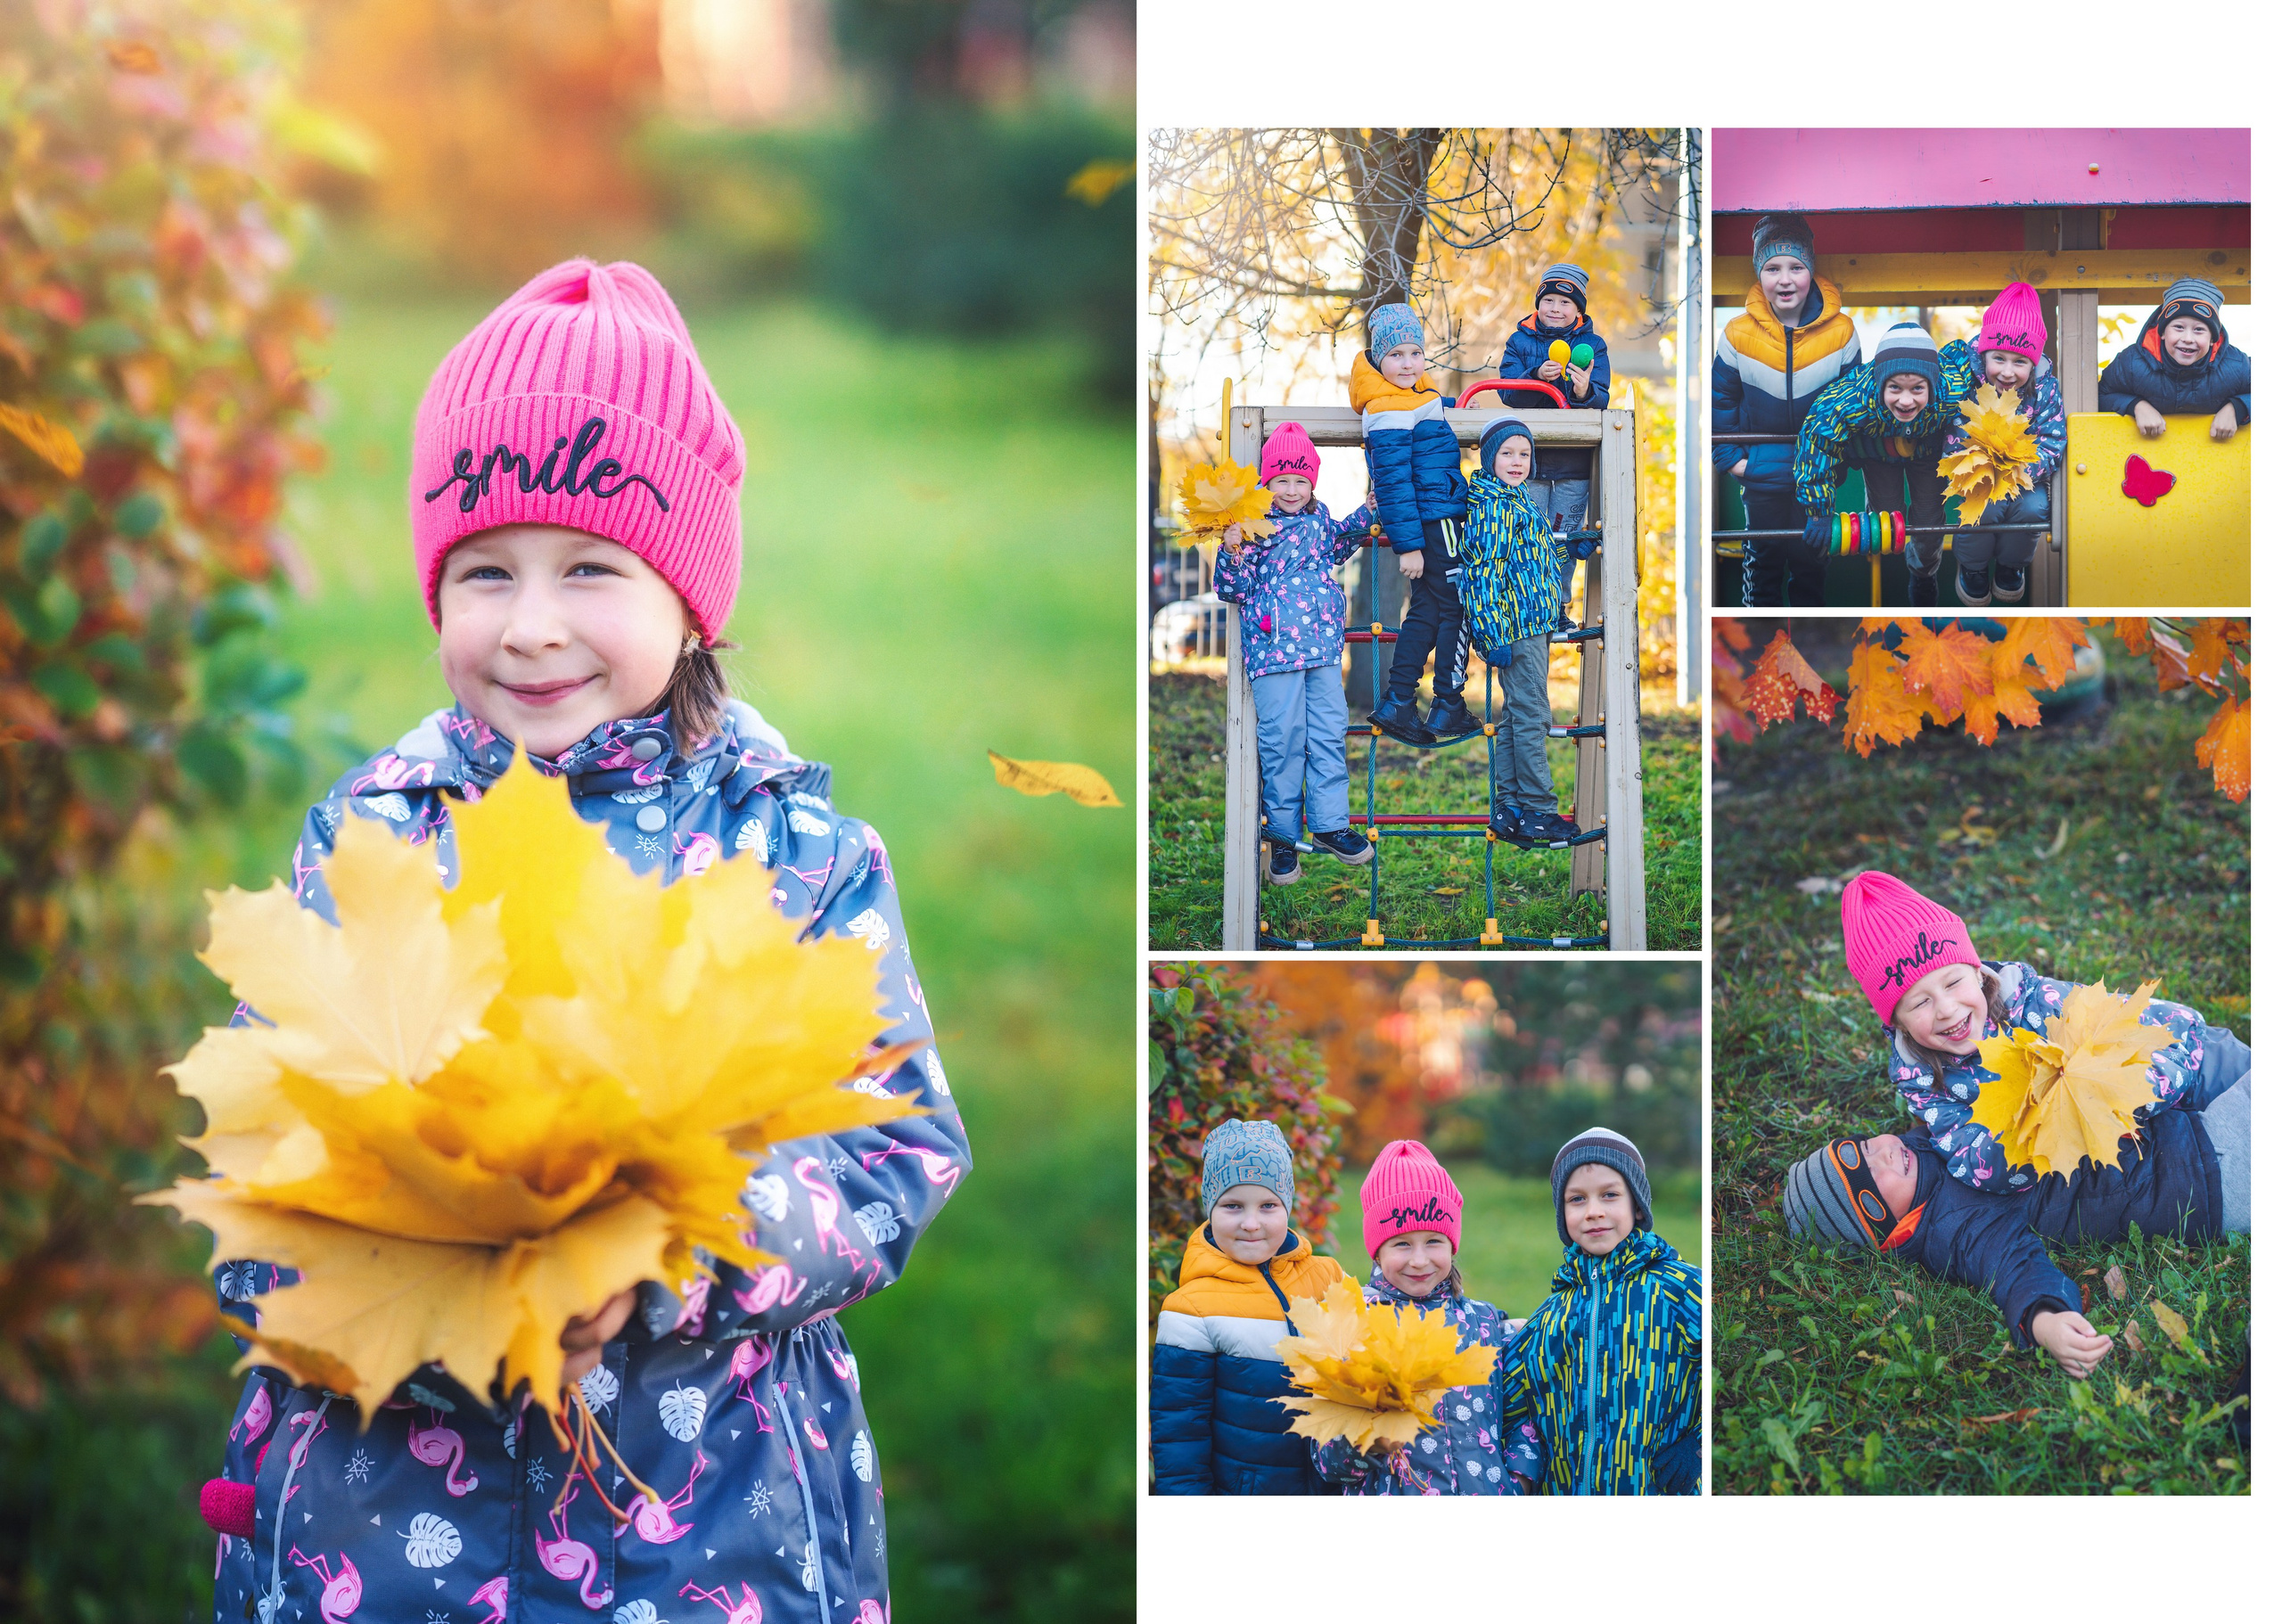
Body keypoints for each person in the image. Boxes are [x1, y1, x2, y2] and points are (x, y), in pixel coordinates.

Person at [200, 260, 969, 1624]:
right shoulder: (380, 839)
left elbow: (893, 1144)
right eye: (485, 571)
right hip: (385, 1526)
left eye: (591, 569)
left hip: (698, 1524)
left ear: (692, 602)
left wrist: (679, 1247)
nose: (533, 623)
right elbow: (268, 1157)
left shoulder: (793, 855)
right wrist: (413, 1290)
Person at [1782, 1089, 2250, 1380]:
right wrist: (2043, 1321)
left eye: (1863, 1147)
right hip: (2200, 1173)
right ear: (1885, 1229)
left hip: (2173, 1122)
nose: (1883, 1152)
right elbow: (2010, 1265)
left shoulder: (1926, 1144)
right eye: (1869, 1178)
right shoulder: (1956, 1223)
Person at [1840, 870, 2248, 1196]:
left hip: (2197, 1059)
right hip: (2166, 1137)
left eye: (1952, 983)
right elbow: (1974, 1164)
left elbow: (2142, 1039)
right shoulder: (1924, 1081)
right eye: (1919, 1003)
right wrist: (2044, 1131)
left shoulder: (2035, 1002)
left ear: (1978, 972)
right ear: (1896, 1022)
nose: (1947, 1010)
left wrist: (2120, 1102)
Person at [1309, 1141, 1539, 1496]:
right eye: (1401, 1244)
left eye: (1433, 1241)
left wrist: (1519, 1480)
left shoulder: (1487, 1325)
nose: (1419, 1260)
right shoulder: (1354, 1328)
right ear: (1377, 1250)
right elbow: (1327, 1462)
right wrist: (1365, 1442)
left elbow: (1521, 1415)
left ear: (1452, 1245)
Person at [1213, 421, 1375, 884]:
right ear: (1267, 481)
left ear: (1312, 483)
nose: (1291, 489)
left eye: (1300, 480)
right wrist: (1232, 550)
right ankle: (1283, 838)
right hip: (1274, 651)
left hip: (1322, 649)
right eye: (1281, 479)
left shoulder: (1319, 519)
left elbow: (1338, 544)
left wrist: (1365, 515)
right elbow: (1231, 588)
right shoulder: (1252, 526)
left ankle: (1329, 824)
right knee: (1283, 742)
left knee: (1327, 733)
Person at [1152, 1119, 1351, 1494]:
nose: (1251, 1223)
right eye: (1232, 1206)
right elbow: (1180, 1435)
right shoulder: (1191, 1308)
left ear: (1287, 1206)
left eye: (1268, 1206)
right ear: (1210, 1209)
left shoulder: (1328, 1278)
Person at [1499, 1128, 1702, 1494]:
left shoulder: (1678, 1289)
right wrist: (1485, 1328)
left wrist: (1701, 1446)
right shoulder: (1552, 1314)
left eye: (1610, 1195)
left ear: (1636, 1206)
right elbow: (1498, 1394)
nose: (1594, 1212)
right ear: (1563, 1214)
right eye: (1577, 1199)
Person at [1712, 213, 1860, 606]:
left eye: (1796, 267)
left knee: (1812, 569)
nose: (1785, 279)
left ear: (1811, 271)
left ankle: (1801, 656)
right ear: (1759, 274)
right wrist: (1733, 461)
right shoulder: (1737, 335)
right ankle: (1758, 657)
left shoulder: (1841, 331)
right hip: (1760, 476)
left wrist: (1837, 462)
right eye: (1773, 267)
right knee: (1762, 569)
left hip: (1818, 479)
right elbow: (1721, 402)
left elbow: (1852, 404)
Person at [1452, 414, 1580, 846]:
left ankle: (1510, 807)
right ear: (1489, 459)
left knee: (1516, 717)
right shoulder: (1494, 505)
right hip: (1517, 627)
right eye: (1507, 453)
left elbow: (1533, 557)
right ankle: (1540, 811)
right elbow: (1483, 572)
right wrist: (1494, 634)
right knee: (1532, 716)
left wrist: (1566, 546)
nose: (1517, 460)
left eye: (1524, 453)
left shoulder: (1519, 499)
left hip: (1531, 621)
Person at [1352, 303, 1477, 746]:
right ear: (1378, 358)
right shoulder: (1387, 407)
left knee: (1426, 610)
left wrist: (1456, 404)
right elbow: (1393, 481)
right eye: (1396, 356)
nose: (1408, 364)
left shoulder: (1403, 397)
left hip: (1429, 517)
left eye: (1415, 354)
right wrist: (1408, 546)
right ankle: (1447, 702)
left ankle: (1399, 701)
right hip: (1435, 519)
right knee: (1460, 603)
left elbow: (1421, 415)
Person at [1793, 321, 1975, 608]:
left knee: (1929, 522)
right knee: (1888, 520)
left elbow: (1972, 358)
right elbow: (1816, 441)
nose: (1905, 400)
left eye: (1917, 389)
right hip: (1878, 455)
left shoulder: (1952, 392)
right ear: (1880, 383)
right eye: (1894, 388)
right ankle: (1891, 563)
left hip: (1927, 455)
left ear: (1933, 383)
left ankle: (1924, 574)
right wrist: (1819, 511)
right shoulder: (1854, 398)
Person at [1494, 263, 1611, 625]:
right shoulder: (1520, 341)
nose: (1555, 309)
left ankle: (1557, 605)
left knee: (1563, 537)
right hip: (1527, 463)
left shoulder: (1592, 345)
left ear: (1579, 311)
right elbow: (1508, 392)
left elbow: (1601, 397)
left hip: (1572, 464)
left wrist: (1581, 390)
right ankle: (1525, 603)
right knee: (1529, 532)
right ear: (1538, 303)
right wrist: (1535, 376)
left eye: (1565, 302)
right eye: (1549, 300)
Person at [1940, 283, 2064, 605]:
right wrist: (1972, 464)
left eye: (2020, 362)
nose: (2008, 372)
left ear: (2034, 363)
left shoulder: (2045, 389)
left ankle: (2011, 567)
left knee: (2034, 508)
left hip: (2025, 474)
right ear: (1985, 354)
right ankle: (1974, 568)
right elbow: (1953, 428)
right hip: (1977, 472)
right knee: (1985, 508)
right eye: (1999, 359)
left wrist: (2024, 470)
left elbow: (2053, 436)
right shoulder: (1964, 380)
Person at [2098, 276, 2253, 442]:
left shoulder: (2236, 365)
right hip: (2151, 457)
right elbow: (2099, 395)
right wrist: (2136, 405)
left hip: (2217, 459)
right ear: (2162, 332)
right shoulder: (2132, 363)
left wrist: (2238, 407)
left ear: (2213, 339)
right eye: (2178, 327)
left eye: (2199, 330)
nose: (2187, 338)